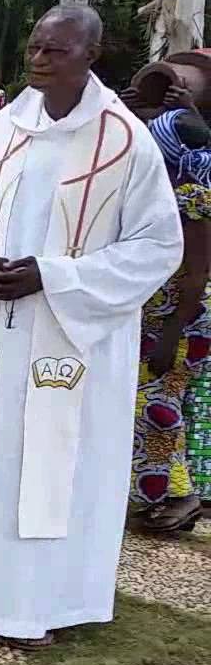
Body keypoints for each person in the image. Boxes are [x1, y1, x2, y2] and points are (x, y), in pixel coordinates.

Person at [0, 6, 180, 649]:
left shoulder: (124, 141)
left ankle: (32, 606)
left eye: (57, 50)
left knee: (49, 469)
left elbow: (158, 245)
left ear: (91, 55)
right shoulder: (5, 128)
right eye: (36, 46)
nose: (40, 59)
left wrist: (54, 276)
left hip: (68, 340)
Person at [128, 106, 211, 534]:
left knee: (157, 405)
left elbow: (196, 275)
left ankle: (181, 495)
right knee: (147, 404)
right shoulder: (169, 190)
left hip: (179, 322)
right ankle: (156, 495)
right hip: (160, 318)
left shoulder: (193, 198)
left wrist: (171, 335)